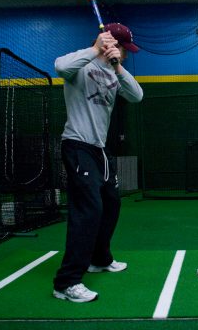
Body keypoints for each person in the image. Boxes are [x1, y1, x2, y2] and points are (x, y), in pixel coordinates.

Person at [52, 23, 143, 302]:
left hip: (99, 150)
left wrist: (117, 66)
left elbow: (137, 95)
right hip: (77, 145)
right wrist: (95, 48)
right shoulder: (80, 66)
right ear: (108, 42)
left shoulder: (114, 73)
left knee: (112, 203)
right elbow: (59, 65)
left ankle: (100, 259)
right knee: (88, 209)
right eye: (122, 48)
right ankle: (66, 282)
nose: (125, 53)